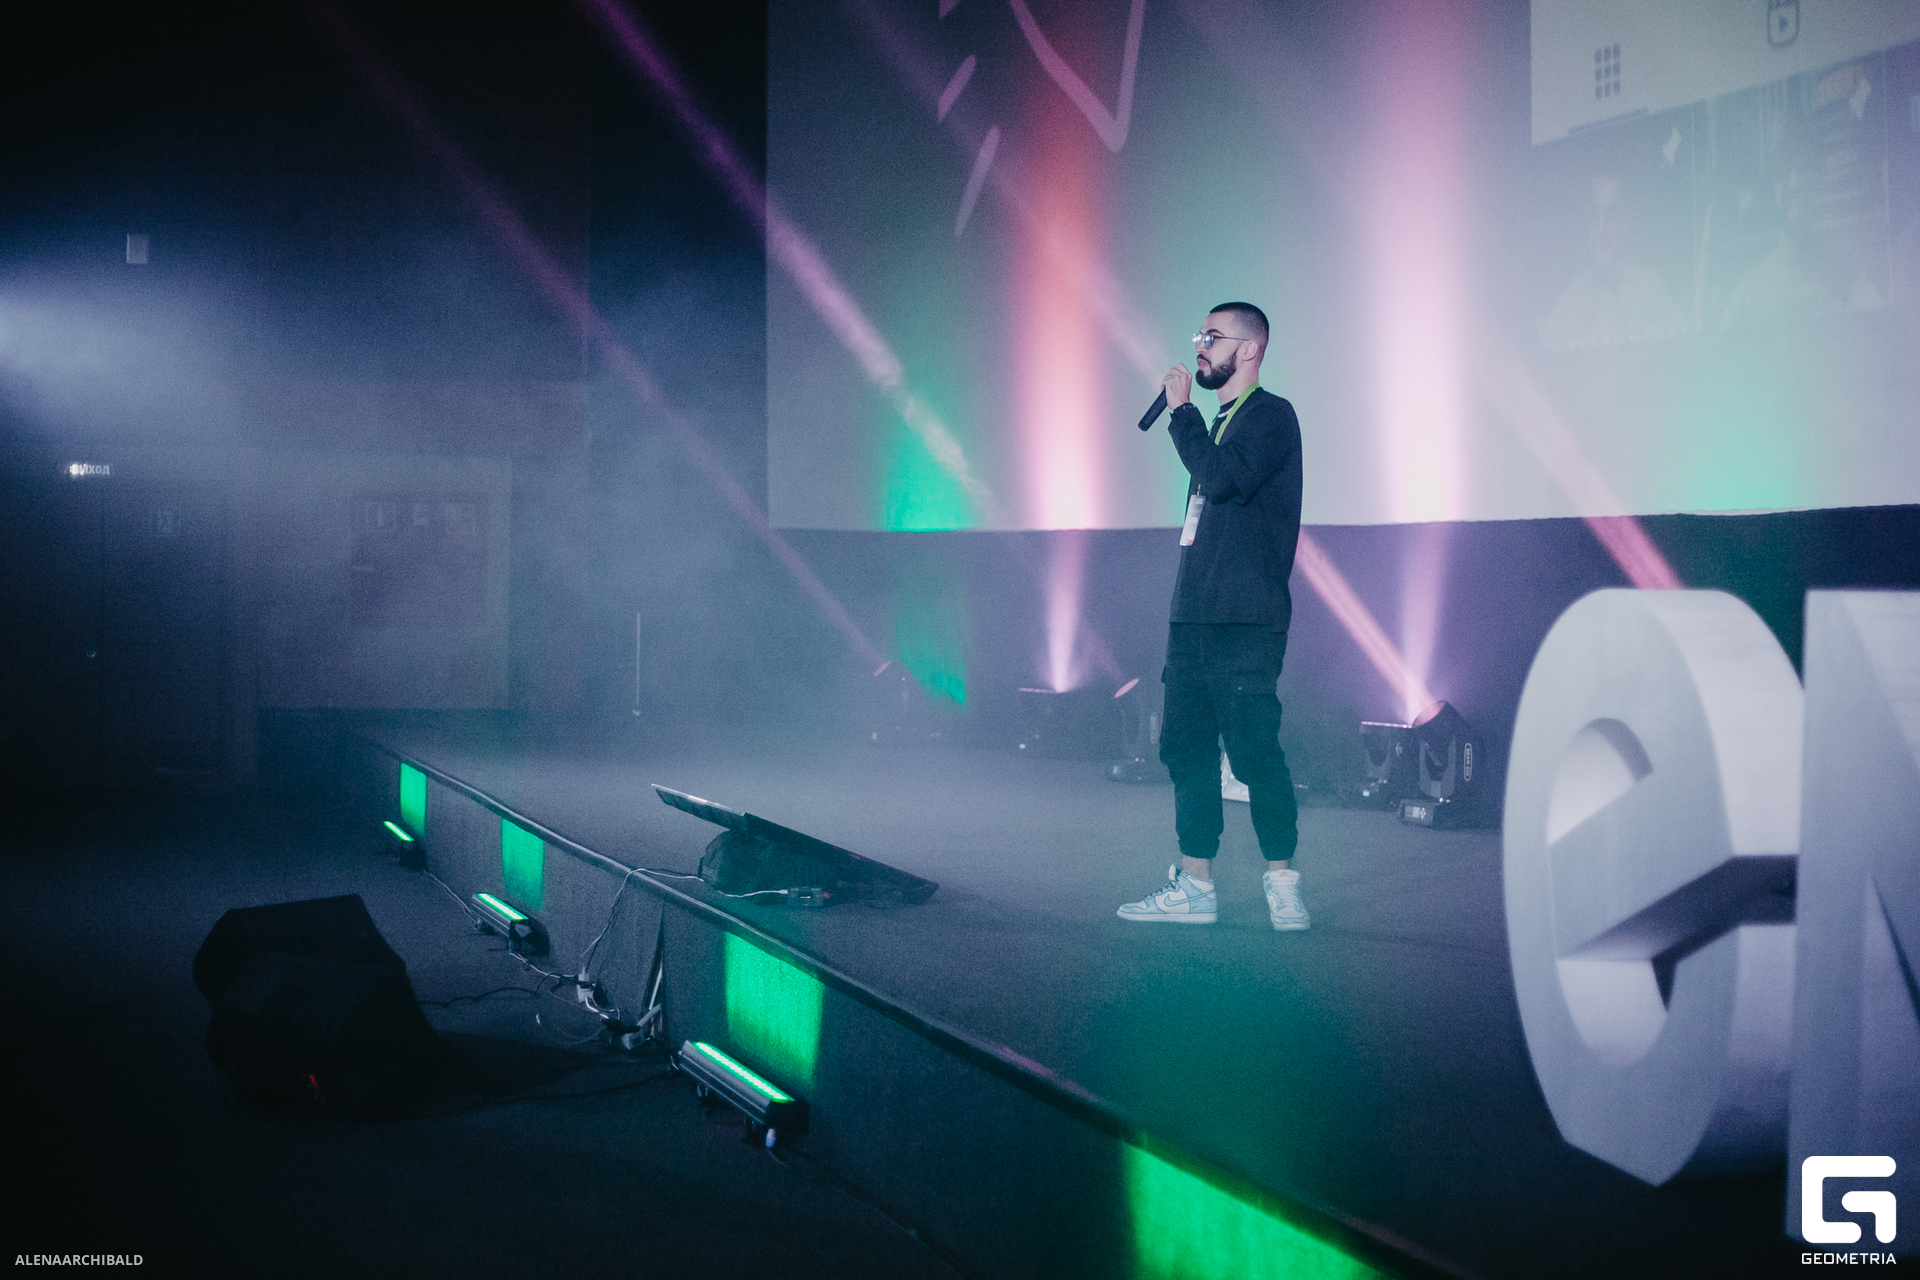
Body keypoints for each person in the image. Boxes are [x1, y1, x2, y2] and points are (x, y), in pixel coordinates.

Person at [1118, 302, 1307, 930]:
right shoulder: (1218, 423)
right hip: (1193, 618)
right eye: (1198, 334)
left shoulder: (1270, 416)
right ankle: (1195, 884)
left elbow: (1223, 478)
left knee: (1253, 754)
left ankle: (1283, 881)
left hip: (1246, 621)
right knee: (1186, 749)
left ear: (1249, 349)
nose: (1200, 345)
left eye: (1214, 336)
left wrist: (1181, 413)